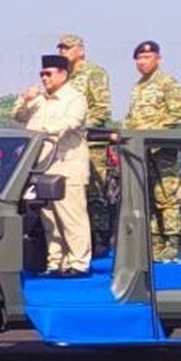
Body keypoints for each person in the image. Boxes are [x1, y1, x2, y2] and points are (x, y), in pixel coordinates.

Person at [13, 55, 91, 276]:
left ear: (63, 74)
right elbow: (17, 116)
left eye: (49, 74)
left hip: (68, 166)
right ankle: (56, 262)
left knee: (71, 216)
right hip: (43, 166)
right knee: (49, 218)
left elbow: (71, 122)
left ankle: (78, 263)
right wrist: (25, 99)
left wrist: (41, 131)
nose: (44, 78)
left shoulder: (74, 98)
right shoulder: (39, 99)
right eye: (42, 74)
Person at [123, 41, 181, 262]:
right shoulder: (137, 87)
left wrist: (155, 134)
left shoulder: (167, 82)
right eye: (139, 59)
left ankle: (173, 243)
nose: (143, 63)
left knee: (167, 196)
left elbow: (178, 116)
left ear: (158, 59)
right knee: (146, 196)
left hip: (162, 148)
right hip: (140, 150)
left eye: (147, 58)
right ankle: (154, 242)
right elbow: (131, 118)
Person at [57, 34, 113, 256]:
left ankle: (99, 239)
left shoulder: (94, 73)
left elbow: (101, 109)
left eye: (68, 48)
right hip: (66, 146)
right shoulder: (63, 76)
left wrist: (78, 125)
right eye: (60, 48)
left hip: (90, 142)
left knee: (94, 192)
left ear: (80, 50)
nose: (63, 52)